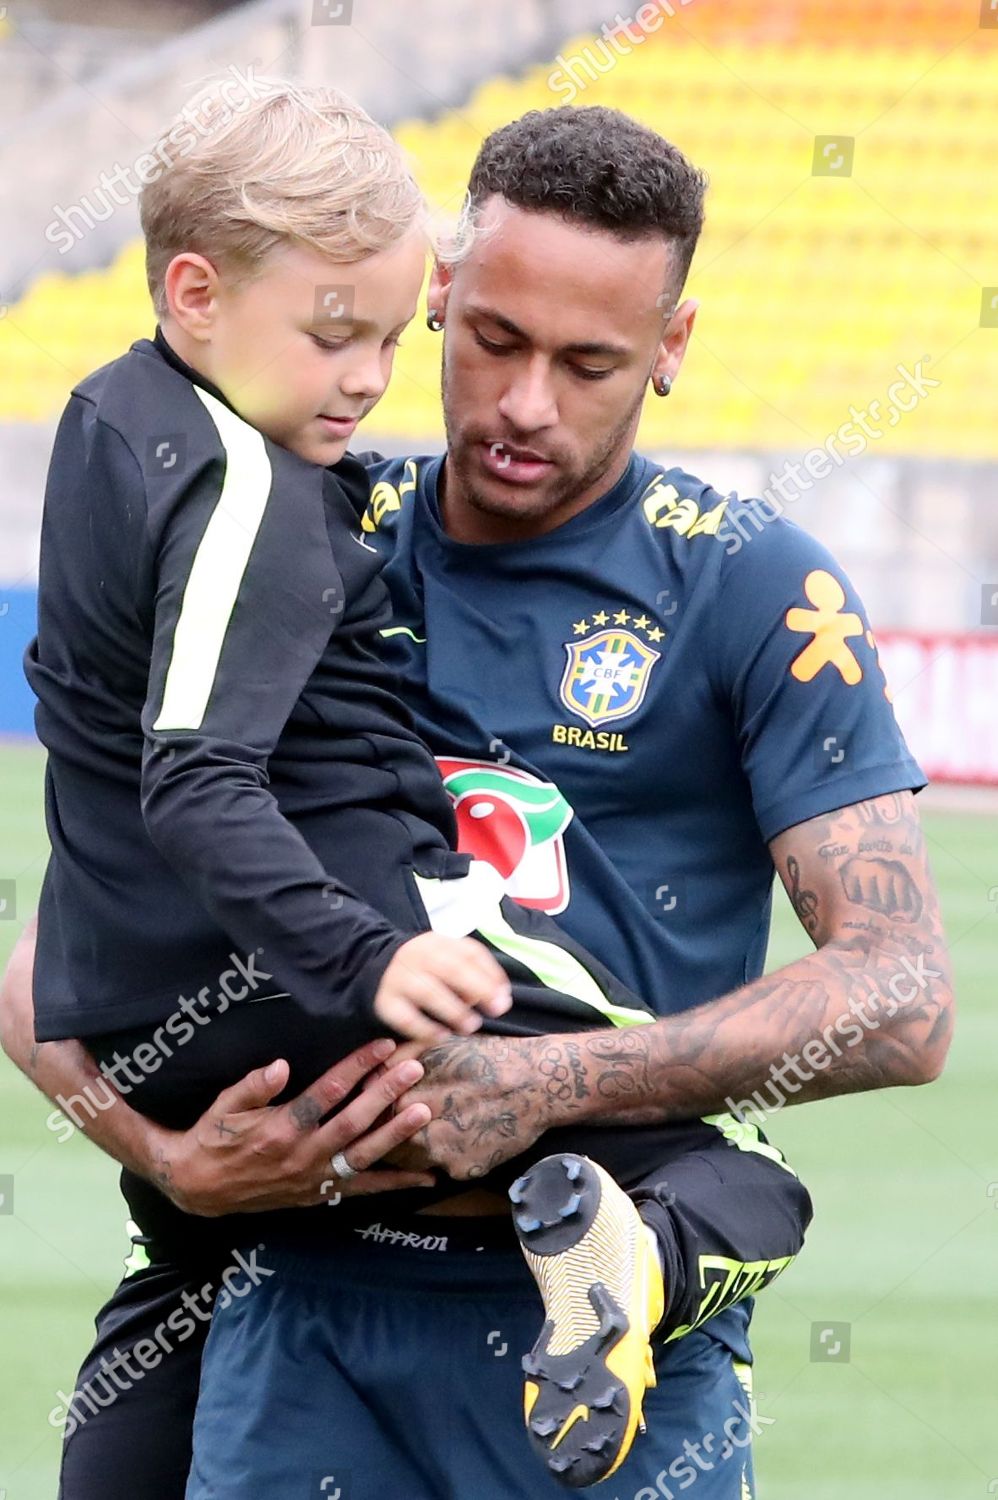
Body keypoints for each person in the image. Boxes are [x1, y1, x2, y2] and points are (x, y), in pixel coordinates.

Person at [0, 102, 951, 1499]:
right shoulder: (302, 530)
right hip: (278, 1280)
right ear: (435, 299)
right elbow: (50, 964)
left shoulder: (754, 585)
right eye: (491, 341)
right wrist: (168, 1156)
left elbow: (903, 995)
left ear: (670, 351)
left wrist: (542, 1081)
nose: (521, 404)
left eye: (588, 365)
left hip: (599, 1295)